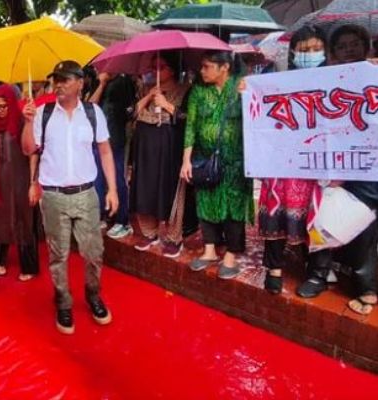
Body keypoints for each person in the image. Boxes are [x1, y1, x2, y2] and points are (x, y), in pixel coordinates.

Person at [22, 61, 117, 335]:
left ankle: (93, 295)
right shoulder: (42, 113)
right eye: (56, 80)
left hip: (86, 194)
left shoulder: (93, 113)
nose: (59, 85)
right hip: (53, 195)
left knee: (94, 252)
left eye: (65, 80)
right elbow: (30, 149)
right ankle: (63, 302)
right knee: (58, 254)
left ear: (80, 83)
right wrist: (28, 123)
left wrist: (112, 189)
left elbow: (106, 152)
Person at [296, 24, 377, 315]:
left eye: (354, 44)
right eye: (341, 46)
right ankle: (318, 274)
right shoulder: (323, 80)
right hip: (329, 161)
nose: (348, 50)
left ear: (366, 45)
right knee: (320, 217)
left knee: (365, 228)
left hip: (368, 169)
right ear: (333, 53)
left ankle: (365, 286)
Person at [257, 26, 325, 294]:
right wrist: (248, 90)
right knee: (275, 209)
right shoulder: (279, 81)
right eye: (304, 50)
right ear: (293, 52)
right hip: (282, 164)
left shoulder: (337, 81)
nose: (310, 54)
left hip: (318, 163)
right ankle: (274, 268)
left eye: (316, 49)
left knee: (317, 214)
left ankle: (317, 271)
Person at [180, 51, 252, 280]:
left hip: (236, 161)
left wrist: (247, 96)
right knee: (206, 202)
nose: (202, 71)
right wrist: (186, 161)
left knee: (235, 205)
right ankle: (209, 249)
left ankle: (231, 253)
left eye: (207, 66)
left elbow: (256, 117)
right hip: (205, 160)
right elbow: (190, 126)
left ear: (225, 67)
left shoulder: (242, 87)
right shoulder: (199, 92)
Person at [130, 52, 190, 258]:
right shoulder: (145, 89)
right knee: (145, 189)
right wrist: (149, 95)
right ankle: (149, 233)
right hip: (145, 150)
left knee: (170, 190)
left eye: (160, 67)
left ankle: (174, 238)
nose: (155, 71)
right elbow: (131, 113)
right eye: (153, 67)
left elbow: (188, 120)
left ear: (172, 70)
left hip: (170, 149)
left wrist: (166, 105)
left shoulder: (185, 90)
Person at [0, 84, 39, 281]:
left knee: (23, 221)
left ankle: (28, 267)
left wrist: (33, 182)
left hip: (20, 179)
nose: (0, 110)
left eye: (4, 106)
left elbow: (32, 152)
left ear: (11, 103)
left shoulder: (22, 121)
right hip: (0, 179)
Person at [89, 70, 136, 239]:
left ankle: (123, 221)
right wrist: (101, 84)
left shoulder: (123, 81)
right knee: (98, 180)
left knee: (118, 179)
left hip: (116, 139)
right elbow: (90, 106)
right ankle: (103, 215)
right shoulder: (98, 82)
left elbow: (130, 112)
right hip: (97, 140)